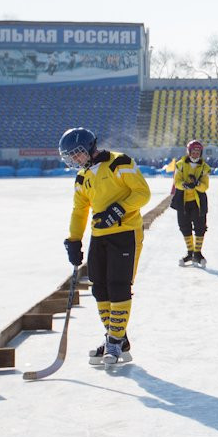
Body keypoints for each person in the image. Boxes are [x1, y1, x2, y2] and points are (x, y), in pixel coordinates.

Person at [59, 126, 152, 366]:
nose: (74, 159)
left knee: (119, 286)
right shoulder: (82, 177)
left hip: (125, 233)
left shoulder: (119, 163)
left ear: (90, 147)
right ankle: (118, 340)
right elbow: (80, 210)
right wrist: (74, 240)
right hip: (99, 236)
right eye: (71, 156)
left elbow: (143, 193)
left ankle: (114, 342)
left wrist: (119, 209)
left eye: (77, 153)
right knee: (99, 288)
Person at [171, 139, 210, 267]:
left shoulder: (204, 167)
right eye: (193, 151)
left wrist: (197, 184)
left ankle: (198, 253)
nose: (195, 154)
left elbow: (205, 186)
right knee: (184, 227)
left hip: (197, 202)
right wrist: (184, 185)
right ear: (189, 152)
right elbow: (176, 182)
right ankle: (190, 252)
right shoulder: (180, 164)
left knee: (200, 227)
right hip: (183, 202)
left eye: (198, 152)